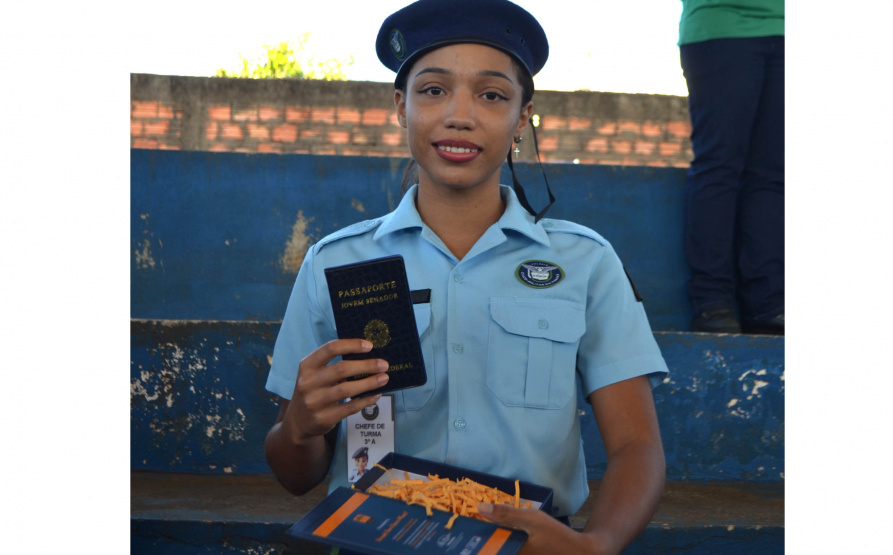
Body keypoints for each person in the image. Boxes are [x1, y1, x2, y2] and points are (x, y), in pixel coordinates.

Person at [263, 1, 669, 553]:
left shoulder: (586, 262)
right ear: (400, 107)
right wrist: (300, 429)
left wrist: (597, 544)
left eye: (492, 94)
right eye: (432, 90)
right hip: (370, 541)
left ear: (522, 118)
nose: (460, 115)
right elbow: (294, 474)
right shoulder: (335, 262)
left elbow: (637, 446)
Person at [679, 0, 785, 335]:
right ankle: (712, 302)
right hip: (720, 25)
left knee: (774, 174)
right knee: (719, 166)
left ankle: (770, 302)